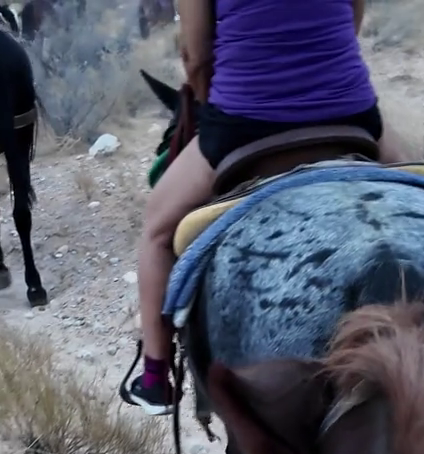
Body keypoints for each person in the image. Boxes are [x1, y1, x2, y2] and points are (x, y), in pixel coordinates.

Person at [121, 0, 406, 416]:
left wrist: (216, 103)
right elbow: (353, 18)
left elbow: (196, 57)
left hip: (245, 122)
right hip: (349, 111)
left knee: (157, 231)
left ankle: (155, 377)